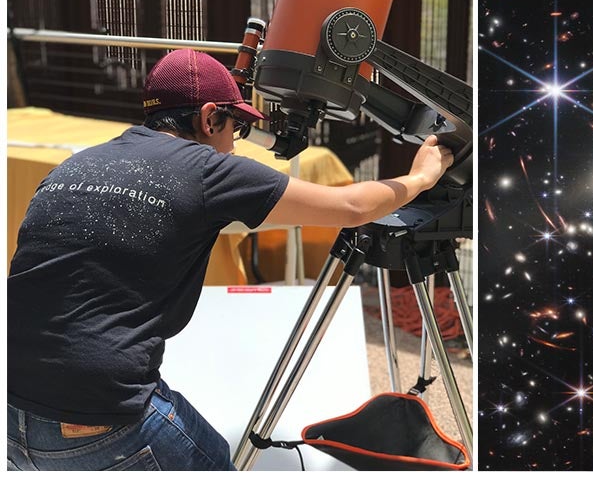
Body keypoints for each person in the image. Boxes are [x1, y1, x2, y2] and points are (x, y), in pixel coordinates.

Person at [6, 50, 454, 471]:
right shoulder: (206, 170)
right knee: (214, 459)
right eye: (234, 129)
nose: (235, 146)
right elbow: (353, 207)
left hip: (9, 413)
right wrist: (420, 176)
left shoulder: (73, 166)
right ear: (208, 117)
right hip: (100, 420)